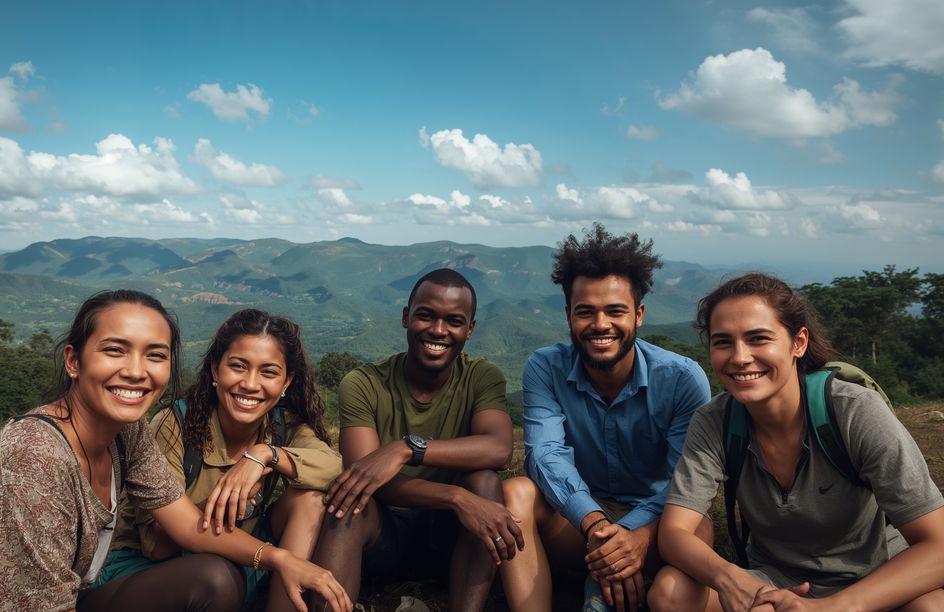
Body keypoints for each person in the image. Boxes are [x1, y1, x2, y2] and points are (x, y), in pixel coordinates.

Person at [0, 290, 350, 612]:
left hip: (79, 589)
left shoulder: (124, 432)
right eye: (116, 350)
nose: (136, 372)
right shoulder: (33, 458)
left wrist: (280, 559)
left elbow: (188, 525)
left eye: (155, 355)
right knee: (212, 579)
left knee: (214, 578)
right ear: (74, 360)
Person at [650, 273, 944, 611]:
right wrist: (731, 579)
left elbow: (937, 545)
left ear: (798, 342)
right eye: (722, 342)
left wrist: (835, 607)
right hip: (773, 582)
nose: (740, 357)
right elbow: (674, 532)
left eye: (758, 338)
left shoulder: (852, 411)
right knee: (670, 591)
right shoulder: (715, 422)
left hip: (872, 581)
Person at [499, 224, 712, 612]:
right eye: (586, 312)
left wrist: (634, 534)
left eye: (615, 311)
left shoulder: (682, 380)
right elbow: (545, 455)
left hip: (660, 523)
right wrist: (597, 525)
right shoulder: (544, 368)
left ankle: (603, 587)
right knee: (517, 492)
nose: (600, 325)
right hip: (582, 522)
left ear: (639, 314)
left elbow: (688, 482)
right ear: (568, 315)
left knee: (694, 526)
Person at [98, 308, 343, 610]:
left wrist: (264, 455)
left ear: (286, 383)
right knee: (217, 575)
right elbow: (158, 546)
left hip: (236, 558)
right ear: (215, 370)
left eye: (268, 372)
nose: (251, 384)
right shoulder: (175, 424)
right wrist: (231, 504)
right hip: (154, 571)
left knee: (310, 500)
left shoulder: (281, 425)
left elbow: (333, 466)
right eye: (238, 366)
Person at [309, 268, 520, 612]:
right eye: (426, 315)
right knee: (346, 502)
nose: (438, 330)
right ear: (406, 317)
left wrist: (407, 448)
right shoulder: (363, 384)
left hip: (454, 540)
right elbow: (363, 479)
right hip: (383, 536)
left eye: (454, 321)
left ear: (470, 328)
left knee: (485, 482)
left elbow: (498, 448)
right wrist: (455, 496)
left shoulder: (481, 377)